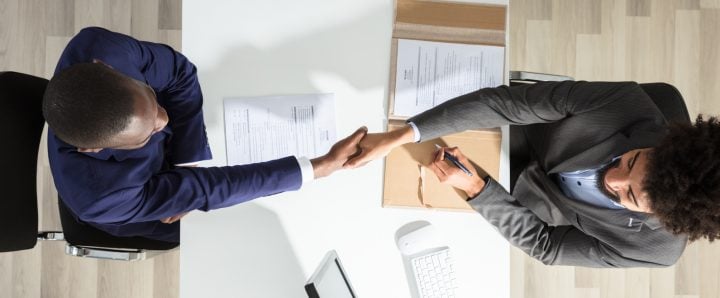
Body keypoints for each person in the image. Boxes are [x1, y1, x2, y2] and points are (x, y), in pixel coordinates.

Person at [43, 27, 366, 243]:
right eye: (148, 134)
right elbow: (208, 190)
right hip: (147, 211)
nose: (164, 119)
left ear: (105, 67)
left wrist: (188, 157)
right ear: (93, 149)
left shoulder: (101, 47)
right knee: (225, 240)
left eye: (153, 102)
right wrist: (317, 167)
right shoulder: (104, 199)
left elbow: (180, 74)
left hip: (173, 168)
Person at [346, 81, 720, 267]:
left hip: (511, 201)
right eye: (630, 160)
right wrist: (401, 135)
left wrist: (478, 189)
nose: (613, 180)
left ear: (662, 219)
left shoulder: (655, 250)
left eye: (630, 197)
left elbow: (549, 247)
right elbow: (503, 105)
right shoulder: (627, 104)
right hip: (516, 129)